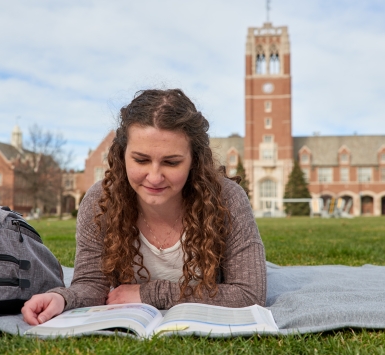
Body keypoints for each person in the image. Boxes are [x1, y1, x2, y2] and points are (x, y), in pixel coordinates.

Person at [22, 89, 266, 325]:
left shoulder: (227, 199)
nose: (155, 176)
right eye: (141, 160)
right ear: (122, 154)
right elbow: (92, 284)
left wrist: (151, 294)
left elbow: (249, 294)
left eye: (171, 162)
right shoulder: (101, 201)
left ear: (194, 161)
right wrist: (61, 298)